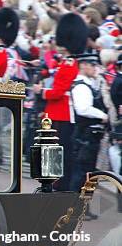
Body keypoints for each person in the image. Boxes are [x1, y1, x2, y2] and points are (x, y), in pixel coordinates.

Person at [33, 13, 88, 191]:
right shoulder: (66, 62)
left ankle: (56, 185)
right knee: (51, 150)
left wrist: (41, 92)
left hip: (61, 114)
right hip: (56, 113)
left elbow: (58, 91)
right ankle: (50, 184)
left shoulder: (70, 63)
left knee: (57, 152)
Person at [69, 53, 109, 193]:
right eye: (92, 65)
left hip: (88, 135)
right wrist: (102, 115)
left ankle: (82, 206)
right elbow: (83, 109)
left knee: (87, 173)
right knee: (82, 172)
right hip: (85, 135)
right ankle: (75, 207)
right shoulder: (81, 86)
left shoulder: (88, 84)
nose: (95, 68)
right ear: (83, 65)